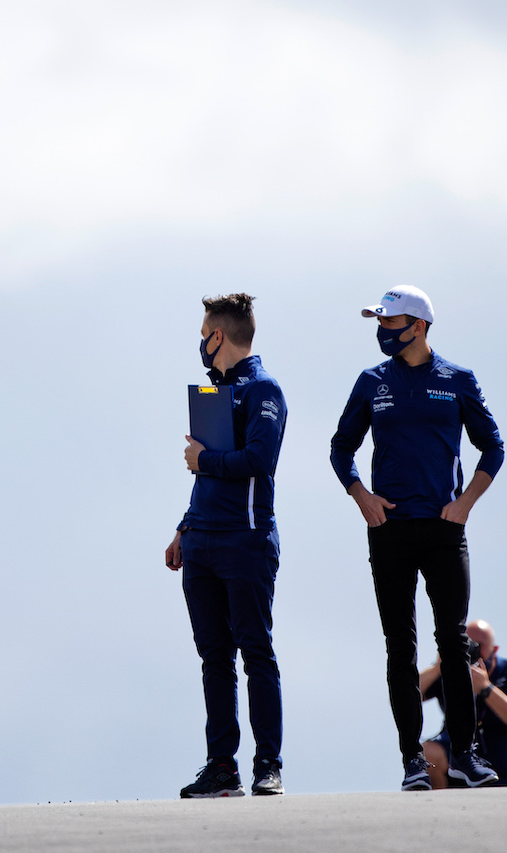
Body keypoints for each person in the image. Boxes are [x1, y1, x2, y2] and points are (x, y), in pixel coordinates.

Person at [330, 285, 506, 791]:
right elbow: (341, 448)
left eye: (390, 322)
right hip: (388, 530)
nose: (383, 331)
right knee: (399, 646)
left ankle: (464, 757)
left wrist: (464, 504)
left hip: (445, 530)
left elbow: (492, 447)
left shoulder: (458, 379)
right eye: (379, 323)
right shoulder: (371, 381)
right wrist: (361, 496)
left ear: (420, 326)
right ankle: (412, 760)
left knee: (453, 640)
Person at [165, 294, 288, 798]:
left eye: (203, 332)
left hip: (246, 539)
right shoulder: (212, 390)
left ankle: (268, 766)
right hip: (203, 541)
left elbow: (259, 460)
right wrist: (182, 527)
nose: (199, 342)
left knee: (255, 652)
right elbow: (206, 475)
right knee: (214, 658)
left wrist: (204, 460)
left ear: (219, 335)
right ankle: (222, 767)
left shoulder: (264, 390)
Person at [419, 620, 507, 787]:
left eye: (478, 646)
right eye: (466, 645)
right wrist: (438, 667)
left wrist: (486, 688)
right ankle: (440, 804)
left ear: (494, 650)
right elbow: (403, 698)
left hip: (504, 775)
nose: (472, 651)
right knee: (426, 755)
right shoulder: (449, 671)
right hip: (455, 767)